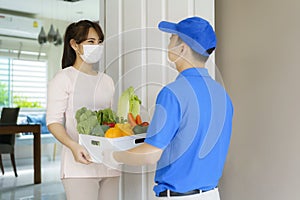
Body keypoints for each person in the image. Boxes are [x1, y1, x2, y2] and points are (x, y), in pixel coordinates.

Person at [104, 16, 234, 200]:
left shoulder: (172, 93)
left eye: (172, 38)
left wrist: (112, 156)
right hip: (212, 194)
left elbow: (150, 155)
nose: (168, 42)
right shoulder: (222, 95)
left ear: (183, 48)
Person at [46, 20, 120, 200]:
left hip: (109, 164)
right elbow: (53, 122)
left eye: (99, 42)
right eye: (91, 42)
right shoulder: (64, 78)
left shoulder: (107, 81)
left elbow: (112, 122)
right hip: (78, 167)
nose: (97, 46)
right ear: (74, 45)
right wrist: (73, 146)